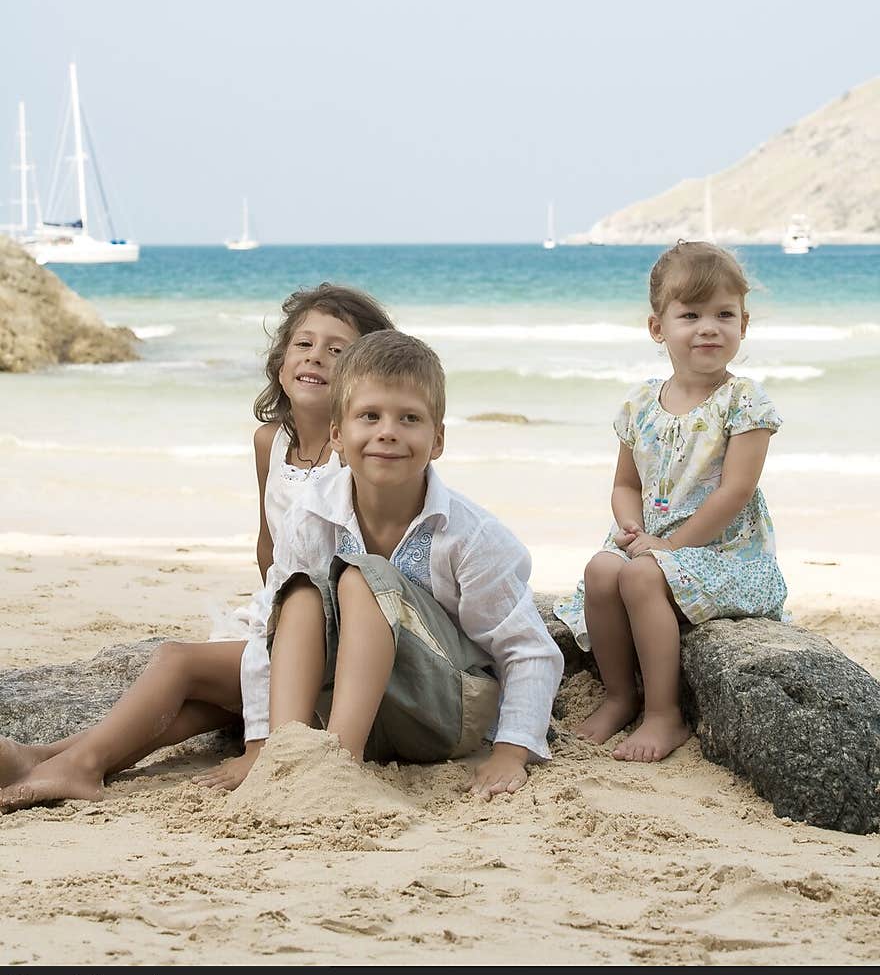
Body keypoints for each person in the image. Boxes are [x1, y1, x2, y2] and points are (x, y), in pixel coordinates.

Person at [0, 283, 394, 812]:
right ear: (280, 363)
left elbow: (369, 569)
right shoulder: (269, 443)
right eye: (303, 344)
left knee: (177, 663)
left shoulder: (357, 458)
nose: (316, 357)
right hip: (282, 614)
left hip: (337, 636)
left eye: (337, 350)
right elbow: (268, 544)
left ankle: (79, 766)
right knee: (203, 700)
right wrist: (268, 626)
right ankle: (45, 757)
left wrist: (268, 724)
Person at [265, 330, 564, 799]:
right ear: (337, 435)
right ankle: (284, 759)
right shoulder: (310, 513)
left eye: (409, 418)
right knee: (299, 594)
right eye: (370, 416)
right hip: (355, 710)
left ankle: (336, 769)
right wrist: (256, 736)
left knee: (364, 577)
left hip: (442, 715)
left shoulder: (471, 535)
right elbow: (271, 629)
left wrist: (510, 750)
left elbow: (528, 649)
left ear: (437, 439)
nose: (388, 431)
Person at [554, 241, 786, 763]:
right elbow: (625, 483)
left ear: (743, 325)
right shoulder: (640, 404)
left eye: (724, 314)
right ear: (658, 328)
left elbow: (736, 491)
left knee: (638, 576)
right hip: (658, 543)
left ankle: (664, 713)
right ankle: (620, 697)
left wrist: (669, 547)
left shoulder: (743, 400)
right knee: (599, 570)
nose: (709, 327)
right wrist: (632, 526)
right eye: (690, 315)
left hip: (727, 554)